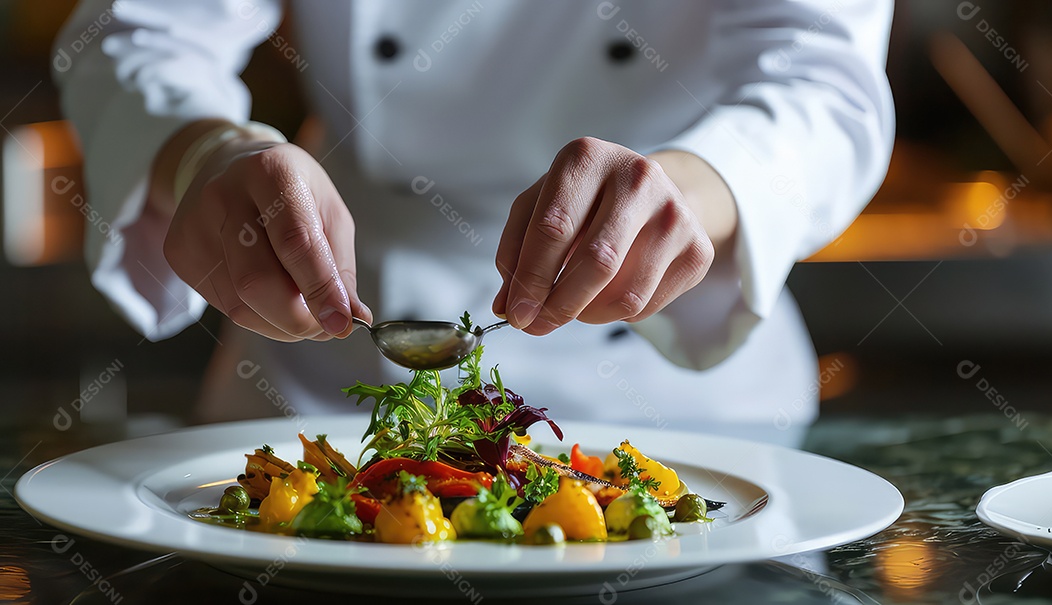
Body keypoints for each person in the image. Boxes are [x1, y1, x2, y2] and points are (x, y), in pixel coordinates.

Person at [53, 1, 894, 443]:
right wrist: (206, 154)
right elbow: (132, 30)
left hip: (683, 411)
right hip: (326, 378)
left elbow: (825, 85)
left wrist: (699, 183)